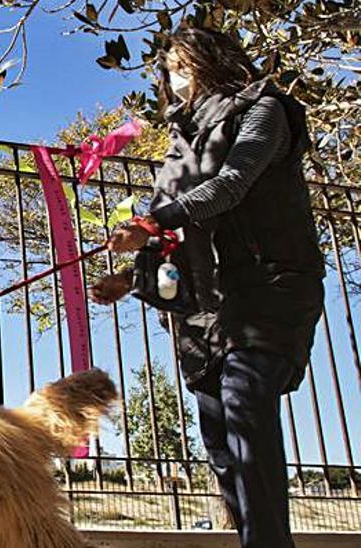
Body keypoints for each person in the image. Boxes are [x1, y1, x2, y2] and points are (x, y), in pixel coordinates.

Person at [87, 27, 323, 548]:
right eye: (169, 69)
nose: (175, 77)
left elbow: (233, 183)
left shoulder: (265, 110)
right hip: (203, 307)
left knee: (245, 399)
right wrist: (130, 278)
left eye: (183, 64)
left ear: (213, 59)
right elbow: (173, 234)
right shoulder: (178, 151)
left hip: (271, 285)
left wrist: (151, 223)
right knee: (217, 435)